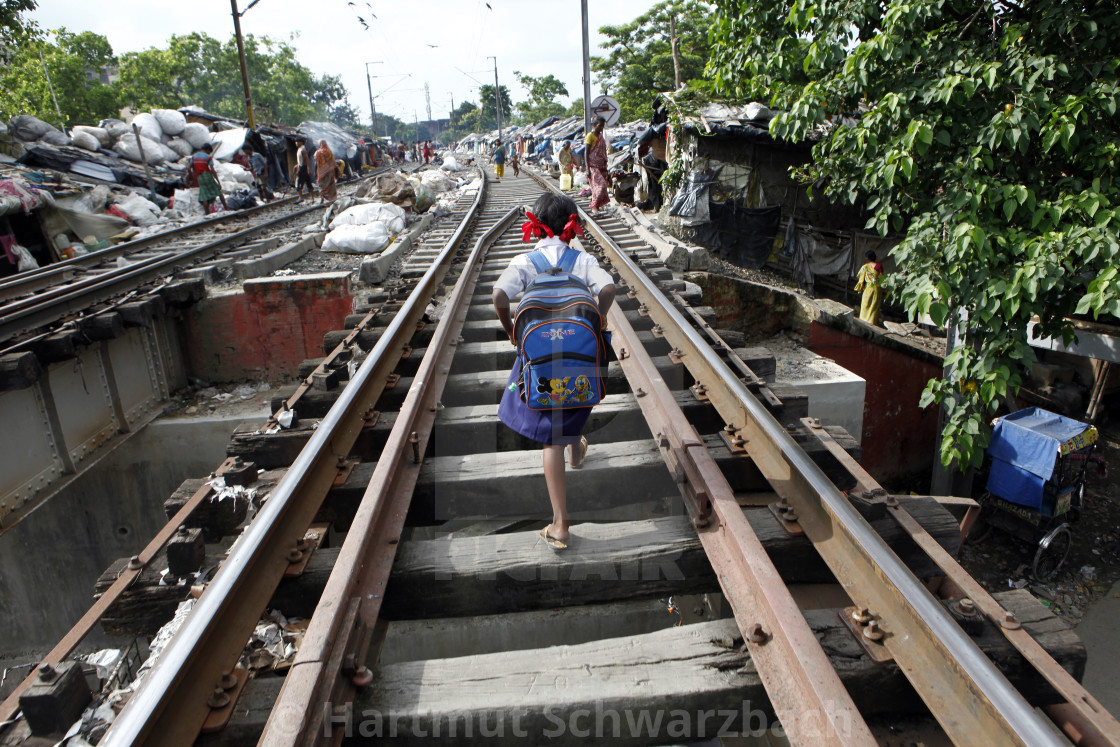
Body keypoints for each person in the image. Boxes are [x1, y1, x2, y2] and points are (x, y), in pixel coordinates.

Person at [492, 192, 616, 549]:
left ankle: (561, 524)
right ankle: (575, 449)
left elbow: (499, 296)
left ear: (539, 225)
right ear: (571, 228)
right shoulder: (582, 259)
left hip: (542, 361)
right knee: (573, 402)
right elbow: (607, 287)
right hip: (579, 360)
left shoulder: (524, 261)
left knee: (551, 436)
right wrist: (601, 314)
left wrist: (511, 328)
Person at [190, 143, 227, 214]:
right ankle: (226, 208)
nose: (209, 153)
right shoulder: (208, 157)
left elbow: (189, 168)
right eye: (209, 152)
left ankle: (207, 214)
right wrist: (218, 182)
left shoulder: (194, 157)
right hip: (207, 175)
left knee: (204, 196)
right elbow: (212, 169)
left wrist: (192, 177)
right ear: (207, 149)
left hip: (199, 177)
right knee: (219, 192)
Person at [585, 116, 611, 215]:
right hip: (593, 166)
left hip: (602, 166)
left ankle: (596, 208)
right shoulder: (590, 136)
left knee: (597, 188)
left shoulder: (601, 137)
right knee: (601, 186)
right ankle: (594, 206)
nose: (601, 128)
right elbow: (586, 152)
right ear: (594, 125)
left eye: (603, 126)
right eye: (600, 126)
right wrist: (587, 168)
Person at [854, 250, 884, 326]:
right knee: (874, 305)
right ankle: (872, 322)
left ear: (867, 259)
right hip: (877, 288)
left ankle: (863, 319)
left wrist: (860, 288)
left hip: (868, 288)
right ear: (875, 257)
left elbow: (861, 279)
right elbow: (882, 278)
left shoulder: (865, 267)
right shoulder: (879, 266)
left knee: (865, 304)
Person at [314, 139, 337, 203]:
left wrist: (315, 172)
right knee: (331, 184)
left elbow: (316, 163)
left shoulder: (318, 152)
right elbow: (333, 162)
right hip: (330, 171)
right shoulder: (329, 151)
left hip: (321, 172)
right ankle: (332, 198)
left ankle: (322, 198)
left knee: (321, 184)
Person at [294, 138, 314, 203]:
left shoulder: (303, 149)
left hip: (303, 168)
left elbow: (307, 160)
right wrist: (297, 166)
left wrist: (308, 169)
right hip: (301, 166)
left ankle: (300, 197)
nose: (296, 143)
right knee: (308, 182)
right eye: (296, 142)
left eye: (298, 141)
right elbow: (300, 160)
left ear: (301, 142)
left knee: (299, 182)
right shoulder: (299, 149)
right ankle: (312, 198)